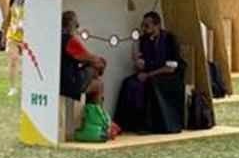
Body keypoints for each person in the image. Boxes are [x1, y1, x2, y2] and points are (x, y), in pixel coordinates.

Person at [114, 12, 187, 134]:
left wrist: (148, 75)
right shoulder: (144, 40)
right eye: (143, 26)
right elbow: (145, 63)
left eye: (147, 26)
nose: (144, 28)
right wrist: (139, 64)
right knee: (129, 83)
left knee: (150, 84)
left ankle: (149, 126)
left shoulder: (169, 39)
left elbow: (171, 67)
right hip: (150, 73)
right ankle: (125, 124)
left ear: (157, 25)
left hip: (169, 75)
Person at [60, 11, 110, 141]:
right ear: (71, 24)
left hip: (61, 80)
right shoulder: (69, 40)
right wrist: (100, 63)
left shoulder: (57, 37)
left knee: (97, 81)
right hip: (69, 83)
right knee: (98, 74)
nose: (78, 26)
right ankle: (95, 125)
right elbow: (91, 58)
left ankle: (95, 123)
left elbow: (81, 58)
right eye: (76, 23)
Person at [6, 0, 29, 97]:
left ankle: (28, 85)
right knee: (12, 61)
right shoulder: (12, 0)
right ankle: (12, 87)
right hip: (13, 35)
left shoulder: (29, 1)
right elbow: (10, 17)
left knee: (27, 62)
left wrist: (24, 24)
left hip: (26, 36)